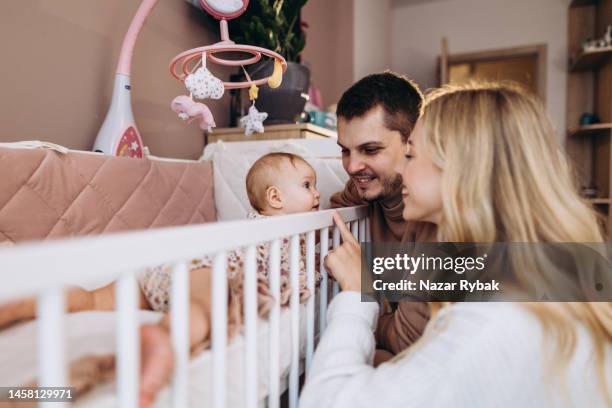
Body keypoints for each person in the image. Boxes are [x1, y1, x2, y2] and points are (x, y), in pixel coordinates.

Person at [300, 82, 612, 407]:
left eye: (410, 155)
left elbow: (327, 401)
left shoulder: (490, 325)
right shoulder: (538, 283)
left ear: (460, 169)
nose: (401, 171)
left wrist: (356, 292)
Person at [0, 152, 322, 407]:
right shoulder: (282, 235)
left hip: (164, 268)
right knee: (204, 307)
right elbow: (293, 277)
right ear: (276, 198)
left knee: (96, 299)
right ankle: (167, 339)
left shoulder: (257, 228)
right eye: (308, 185)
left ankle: (20, 304)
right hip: (206, 267)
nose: (318, 193)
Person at [330, 71, 435, 361]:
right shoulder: (363, 189)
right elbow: (328, 215)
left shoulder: (437, 217)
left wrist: (361, 289)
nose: (352, 166)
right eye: (345, 151)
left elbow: (408, 340)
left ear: (412, 143)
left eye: (370, 150)